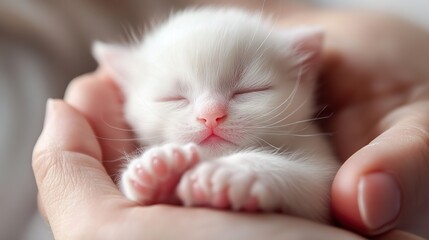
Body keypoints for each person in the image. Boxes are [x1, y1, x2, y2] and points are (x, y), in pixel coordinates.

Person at [32, 8, 429, 240]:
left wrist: (260, 173)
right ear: (127, 95)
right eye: (174, 98)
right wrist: (145, 177)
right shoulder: (149, 138)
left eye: (250, 90)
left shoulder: (303, 138)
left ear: (303, 76)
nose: (210, 113)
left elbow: (320, 186)